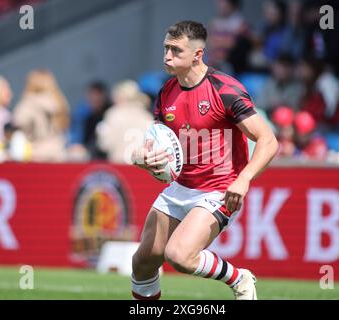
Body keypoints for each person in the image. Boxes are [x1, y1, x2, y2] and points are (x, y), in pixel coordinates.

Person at [130, 21, 278, 300]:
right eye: (165, 48)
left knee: (179, 256)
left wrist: (244, 180)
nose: (167, 56)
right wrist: (142, 157)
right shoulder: (166, 93)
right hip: (181, 187)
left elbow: (268, 140)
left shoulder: (225, 89)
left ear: (198, 55)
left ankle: (240, 278)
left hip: (219, 190)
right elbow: (153, 144)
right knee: (142, 262)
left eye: (176, 50)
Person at [13, 69, 70, 162]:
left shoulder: (28, 102)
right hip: (58, 150)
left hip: (35, 152)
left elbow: (18, 122)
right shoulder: (58, 100)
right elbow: (65, 124)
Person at [96, 80, 153, 164]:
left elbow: (104, 145)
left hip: (119, 166)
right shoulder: (147, 116)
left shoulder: (113, 114)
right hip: (142, 167)